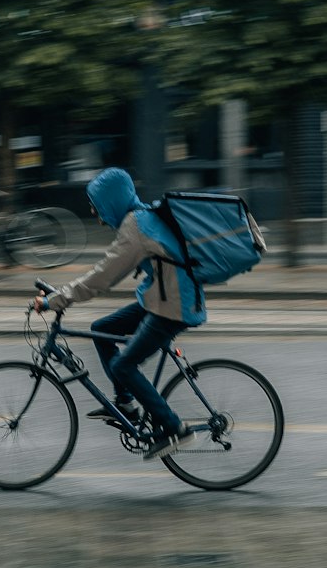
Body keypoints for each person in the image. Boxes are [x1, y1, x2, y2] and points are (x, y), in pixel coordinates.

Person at [33, 166, 205, 460]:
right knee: (103, 329)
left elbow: (102, 277)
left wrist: (57, 300)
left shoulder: (136, 227)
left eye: (97, 205)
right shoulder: (139, 218)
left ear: (111, 201)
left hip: (172, 306)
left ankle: (175, 428)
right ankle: (125, 403)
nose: (94, 213)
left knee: (124, 366)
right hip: (162, 299)